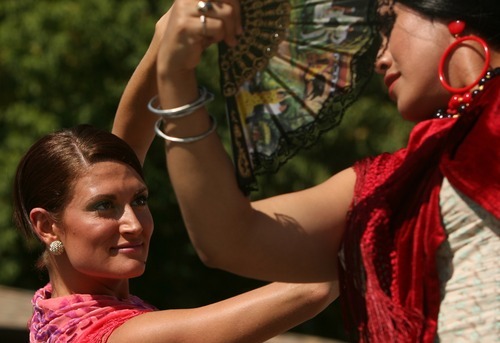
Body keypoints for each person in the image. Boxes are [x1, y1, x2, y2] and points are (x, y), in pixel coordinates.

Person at [113, 0, 499, 341]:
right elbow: (229, 237)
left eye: (386, 26)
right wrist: (176, 73)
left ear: (450, 13)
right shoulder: (395, 181)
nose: (379, 57)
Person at [13, 124, 337, 342]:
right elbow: (312, 288)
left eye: (139, 200)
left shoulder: (54, 310)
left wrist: (166, 50)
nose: (135, 225)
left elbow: (130, 135)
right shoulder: (120, 337)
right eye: (103, 207)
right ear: (46, 226)